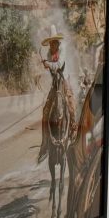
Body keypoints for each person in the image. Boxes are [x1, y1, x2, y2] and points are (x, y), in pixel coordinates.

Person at [37, 24, 77, 162]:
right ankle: (45, 143)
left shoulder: (63, 49)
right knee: (46, 109)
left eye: (53, 43)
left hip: (64, 81)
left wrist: (48, 64)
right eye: (50, 43)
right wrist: (47, 64)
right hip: (55, 83)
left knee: (71, 104)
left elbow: (59, 65)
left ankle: (73, 130)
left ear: (57, 42)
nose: (51, 45)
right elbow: (53, 71)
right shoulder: (48, 53)